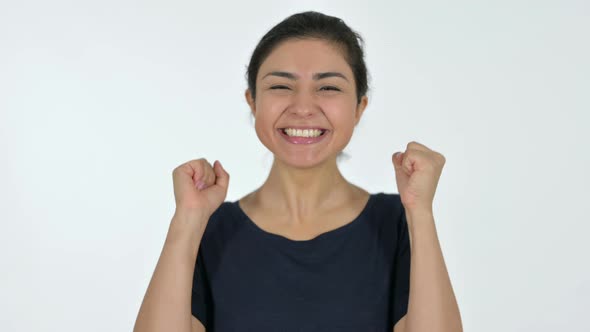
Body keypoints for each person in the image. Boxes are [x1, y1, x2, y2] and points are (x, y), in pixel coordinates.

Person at [133, 11, 463, 332]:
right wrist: (187, 220)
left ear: (359, 107)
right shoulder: (208, 229)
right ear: (253, 102)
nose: (303, 107)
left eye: (328, 88)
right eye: (280, 86)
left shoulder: (398, 223)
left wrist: (420, 211)